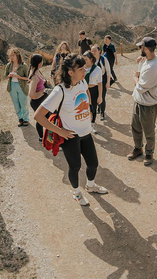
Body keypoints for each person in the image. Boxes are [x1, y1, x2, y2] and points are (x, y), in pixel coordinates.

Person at [35, 54, 108, 206]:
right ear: (70, 72)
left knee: (93, 164)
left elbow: (85, 93)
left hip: (86, 133)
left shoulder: (81, 82)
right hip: (70, 136)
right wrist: (60, 131)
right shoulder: (59, 91)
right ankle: (77, 193)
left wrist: (88, 109)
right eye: (81, 69)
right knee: (75, 167)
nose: (85, 71)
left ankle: (90, 185)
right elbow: (38, 116)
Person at [127, 37, 157, 167]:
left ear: (146, 49)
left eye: (141, 47)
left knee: (148, 131)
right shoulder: (152, 58)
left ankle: (149, 153)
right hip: (139, 101)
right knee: (135, 126)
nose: (139, 50)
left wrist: (135, 77)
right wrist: (141, 59)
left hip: (147, 104)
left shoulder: (152, 67)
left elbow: (140, 88)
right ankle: (138, 148)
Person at [4, 48, 30, 126]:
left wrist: (19, 77)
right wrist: (9, 76)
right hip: (12, 85)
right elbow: (5, 76)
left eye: (13, 55)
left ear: (17, 55)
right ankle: (20, 118)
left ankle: (26, 119)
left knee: (24, 103)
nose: (12, 57)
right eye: (10, 55)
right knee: (16, 103)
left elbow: (28, 77)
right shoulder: (8, 65)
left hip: (21, 85)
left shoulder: (23, 65)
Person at [27, 53, 49, 141]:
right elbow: (31, 94)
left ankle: (43, 137)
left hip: (42, 100)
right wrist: (42, 91)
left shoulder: (37, 70)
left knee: (45, 118)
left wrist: (45, 82)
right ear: (39, 63)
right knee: (42, 119)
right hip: (37, 102)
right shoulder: (34, 77)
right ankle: (42, 137)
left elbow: (39, 83)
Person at [82, 51, 103, 134]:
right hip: (83, 90)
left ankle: (92, 124)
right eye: (83, 60)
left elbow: (100, 83)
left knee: (93, 108)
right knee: (83, 107)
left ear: (91, 59)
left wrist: (100, 96)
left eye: (86, 60)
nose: (84, 62)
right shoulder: (82, 68)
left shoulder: (97, 69)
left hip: (93, 90)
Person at [91, 44, 111, 121]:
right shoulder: (91, 60)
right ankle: (97, 109)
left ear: (99, 51)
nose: (93, 52)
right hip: (94, 81)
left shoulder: (103, 59)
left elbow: (108, 71)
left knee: (102, 96)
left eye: (95, 50)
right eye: (92, 51)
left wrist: (108, 82)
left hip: (103, 79)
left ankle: (102, 112)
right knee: (95, 96)